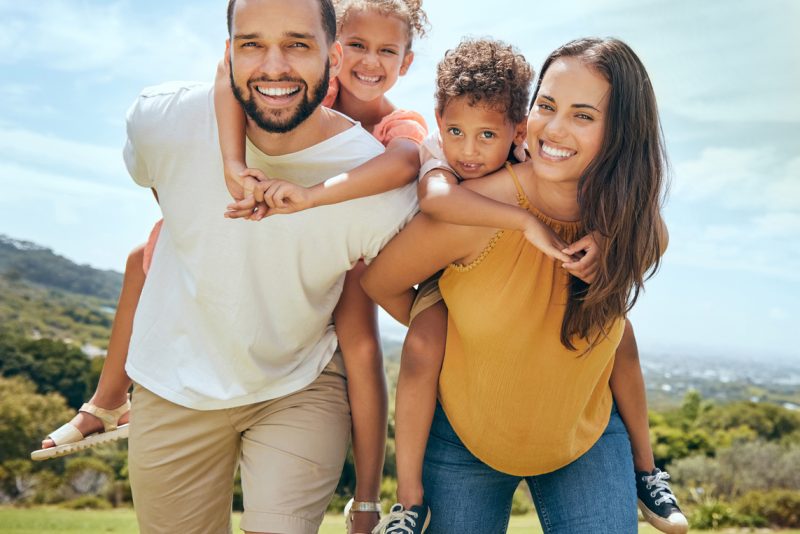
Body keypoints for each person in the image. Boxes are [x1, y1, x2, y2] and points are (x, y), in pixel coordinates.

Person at [363, 37, 680, 533]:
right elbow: (381, 281)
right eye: (547, 106)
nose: (554, 128)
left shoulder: (629, 221)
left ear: (622, 131)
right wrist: (446, 325)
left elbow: (654, 237)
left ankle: (647, 472)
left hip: (586, 437)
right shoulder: (474, 210)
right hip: (464, 440)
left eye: (583, 115)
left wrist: (614, 238)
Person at [123, 0, 417, 531]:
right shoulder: (160, 122)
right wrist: (229, 170)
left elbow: (380, 329)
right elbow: (168, 202)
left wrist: (370, 497)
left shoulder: (378, 184)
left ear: (331, 56)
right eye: (251, 44)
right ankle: (102, 404)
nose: (275, 66)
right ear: (229, 52)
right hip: (175, 382)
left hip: (298, 385)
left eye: (297, 45)